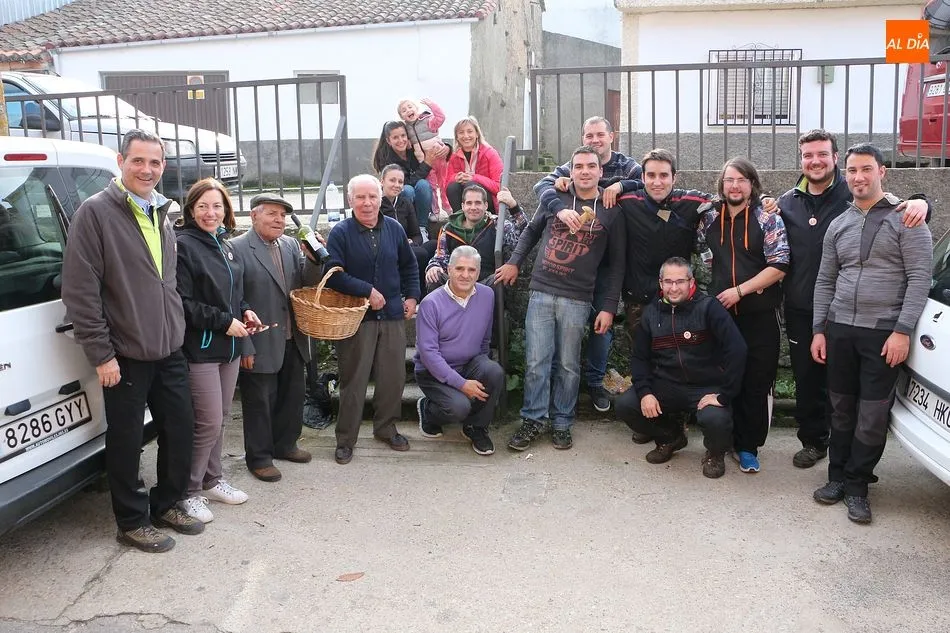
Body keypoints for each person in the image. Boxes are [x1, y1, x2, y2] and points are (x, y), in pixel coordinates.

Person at [62, 129, 203, 553]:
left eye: (155, 162)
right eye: (138, 161)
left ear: (163, 167)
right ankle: (131, 520)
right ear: (121, 162)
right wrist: (101, 354)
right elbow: (80, 290)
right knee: (125, 440)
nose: (147, 169)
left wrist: (176, 325)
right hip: (123, 352)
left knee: (181, 428)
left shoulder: (161, 211)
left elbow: (167, 281)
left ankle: (167, 503)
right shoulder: (96, 213)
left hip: (168, 346)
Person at [778, 129, 930, 470]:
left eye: (822, 154)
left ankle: (853, 470)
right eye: (807, 155)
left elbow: (903, 216)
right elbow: (782, 249)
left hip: (868, 321)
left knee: (859, 400)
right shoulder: (788, 202)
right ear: (801, 160)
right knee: (815, 385)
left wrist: (924, 201)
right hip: (813, 312)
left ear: (835, 159)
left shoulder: (859, 195)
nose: (814, 161)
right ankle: (817, 445)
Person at [810, 143, 933, 524]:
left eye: (866, 169)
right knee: (841, 408)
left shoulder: (907, 220)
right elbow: (825, 279)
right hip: (841, 329)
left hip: (883, 334)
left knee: (872, 414)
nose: (858, 177)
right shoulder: (839, 224)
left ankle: (859, 486)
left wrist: (902, 331)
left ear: (882, 172)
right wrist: (819, 329)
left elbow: (918, 280)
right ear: (844, 174)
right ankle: (837, 477)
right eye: (851, 171)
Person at [495, 145, 625, 451]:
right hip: (541, 290)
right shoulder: (556, 198)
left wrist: (608, 307)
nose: (584, 171)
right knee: (537, 361)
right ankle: (533, 419)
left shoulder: (612, 209)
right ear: (571, 170)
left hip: (578, 297)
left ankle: (562, 422)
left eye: (590, 166)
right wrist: (513, 261)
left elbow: (618, 264)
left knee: (568, 364)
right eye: (578, 166)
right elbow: (531, 232)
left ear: (600, 171)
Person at [535, 116, 643, 413]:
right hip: (575, 264)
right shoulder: (574, 165)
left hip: (608, 262)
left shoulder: (627, 165)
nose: (594, 139)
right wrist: (556, 188)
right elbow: (541, 186)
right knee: (563, 335)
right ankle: (559, 392)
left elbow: (649, 182)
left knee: (601, 327)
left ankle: (594, 383)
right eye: (588, 135)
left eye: (599, 134)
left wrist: (621, 184)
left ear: (612, 136)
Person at [174, 178, 260, 522]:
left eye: (217, 206)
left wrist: (245, 310)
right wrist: (224, 322)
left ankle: (212, 479)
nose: (211, 213)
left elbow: (234, 292)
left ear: (226, 210)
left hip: (230, 348)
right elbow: (181, 302)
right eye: (203, 206)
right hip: (202, 349)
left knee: (220, 419)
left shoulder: (224, 245)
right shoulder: (184, 245)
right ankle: (188, 491)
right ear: (192, 210)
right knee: (206, 422)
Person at [697, 158, 790, 474]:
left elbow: (779, 266)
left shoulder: (768, 219)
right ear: (721, 185)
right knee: (723, 379)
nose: (734, 186)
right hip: (721, 317)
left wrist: (741, 290)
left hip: (759, 316)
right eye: (728, 180)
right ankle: (719, 443)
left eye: (740, 180)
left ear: (752, 183)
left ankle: (748, 446)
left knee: (756, 382)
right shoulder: (708, 218)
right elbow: (702, 255)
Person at [615, 257, 747, 478]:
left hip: (706, 385)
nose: (673, 288)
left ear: (691, 281)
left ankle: (715, 453)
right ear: (660, 283)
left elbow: (738, 350)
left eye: (680, 281)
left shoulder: (708, 307)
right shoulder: (651, 313)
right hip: (667, 383)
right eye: (668, 281)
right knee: (626, 405)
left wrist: (724, 395)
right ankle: (670, 438)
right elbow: (640, 358)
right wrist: (646, 392)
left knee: (716, 419)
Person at [325, 174, 421, 465]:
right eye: (360, 197)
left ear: (381, 198)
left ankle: (386, 428)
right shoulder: (340, 233)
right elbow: (333, 274)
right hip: (357, 319)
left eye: (373, 197)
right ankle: (346, 439)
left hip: (392, 315)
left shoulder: (393, 228)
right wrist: (366, 290)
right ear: (350, 200)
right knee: (353, 381)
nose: (367, 203)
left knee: (393, 378)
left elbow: (409, 266)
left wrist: (412, 297)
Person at [231, 193, 323, 483]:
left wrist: (313, 261)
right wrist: (244, 343)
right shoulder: (236, 248)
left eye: (282, 216)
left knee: (292, 395)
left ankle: (285, 444)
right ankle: (258, 457)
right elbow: (235, 302)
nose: (279, 220)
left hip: (292, 335)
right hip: (259, 339)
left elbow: (306, 284)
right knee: (259, 401)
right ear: (254, 215)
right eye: (271, 214)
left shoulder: (291, 244)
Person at [415, 246, 506, 455]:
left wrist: (480, 367)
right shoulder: (431, 303)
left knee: (494, 371)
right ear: (449, 269)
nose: (465, 275)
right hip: (433, 373)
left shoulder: (487, 295)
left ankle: (477, 426)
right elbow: (428, 354)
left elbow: (485, 337)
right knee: (459, 407)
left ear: (479, 271)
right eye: (459, 269)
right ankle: (428, 411)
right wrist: (461, 384)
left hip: (469, 363)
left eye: (472, 270)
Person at [425, 183, 525, 291]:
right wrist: (433, 266)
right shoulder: (449, 229)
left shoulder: (498, 225)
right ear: (463, 206)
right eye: (469, 203)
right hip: (457, 282)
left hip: (486, 284)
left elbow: (525, 234)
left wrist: (513, 206)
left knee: (499, 279)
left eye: (478, 203)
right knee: (434, 276)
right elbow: (440, 258)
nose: (473, 207)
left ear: (485, 205)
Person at [372, 120, 448, 238]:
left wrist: (447, 147)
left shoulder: (414, 148)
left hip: (419, 196)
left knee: (423, 185)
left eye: (403, 136)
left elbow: (431, 141)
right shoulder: (386, 158)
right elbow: (402, 183)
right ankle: (406, 227)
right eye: (395, 137)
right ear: (388, 140)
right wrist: (427, 163)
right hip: (401, 196)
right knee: (407, 189)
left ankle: (422, 228)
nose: (401, 140)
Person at [380, 163, 432, 290]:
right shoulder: (376, 204)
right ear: (382, 181)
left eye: (400, 181)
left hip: (408, 247)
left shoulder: (405, 203)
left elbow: (417, 235)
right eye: (392, 180)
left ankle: (426, 290)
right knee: (420, 253)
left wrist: (411, 242)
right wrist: (403, 243)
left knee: (432, 246)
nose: (397, 185)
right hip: (386, 249)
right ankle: (413, 291)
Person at [397, 97, 449, 220]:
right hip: (425, 162)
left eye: (410, 107)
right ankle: (435, 211)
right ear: (402, 117)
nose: (408, 110)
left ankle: (448, 208)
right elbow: (407, 142)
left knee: (444, 184)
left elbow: (441, 118)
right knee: (431, 187)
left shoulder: (427, 120)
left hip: (439, 157)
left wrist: (432, 105)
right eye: (403, 110)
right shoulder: (407, 129)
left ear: (417, 109)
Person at [443, 116, 504, 212]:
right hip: (465, 203)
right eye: (461, 132)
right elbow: (446, 186)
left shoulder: (490, 153)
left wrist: (473, 178)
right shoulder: (454, 157)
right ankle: (461, 222)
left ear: (477, 134)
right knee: (453, 187)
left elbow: (499, 186)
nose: (466, 136)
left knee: (471, 185)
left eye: (470, 131)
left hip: (489, 202)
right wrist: (456, 177)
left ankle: (481, 223)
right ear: (457, 137)